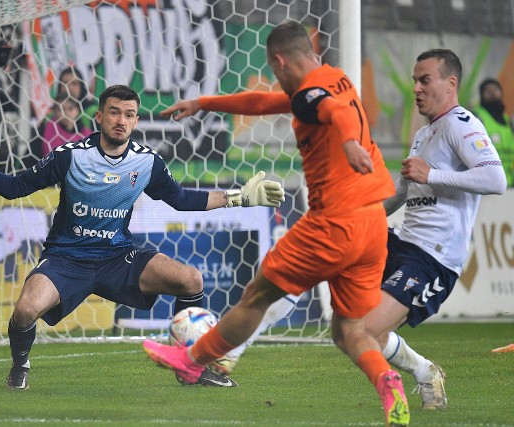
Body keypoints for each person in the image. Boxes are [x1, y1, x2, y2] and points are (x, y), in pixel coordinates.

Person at [0, 85, 285, 390]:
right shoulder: (71, 157)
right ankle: (20, 365)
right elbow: (16, 187)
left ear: (136, 120)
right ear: (99, 117)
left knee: (190, 279)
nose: (121, 120)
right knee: (25, 310)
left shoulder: (146, 162)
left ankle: (188, 366)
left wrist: (240, 198)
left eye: (129, 114)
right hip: (67, 260)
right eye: (114, 112)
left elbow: (180, 199)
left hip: (117, 258)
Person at [144, 21, 410, 427]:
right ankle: (386, 380)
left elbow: (334, 113)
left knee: (257, 295)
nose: (275, 78)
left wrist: (351, 142)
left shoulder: (312, 94)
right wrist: (205, 102)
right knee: (348, 330)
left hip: (333, 222)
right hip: (372, 223)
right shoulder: (334, 78)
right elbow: (264, 103)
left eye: (273, 70)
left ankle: (192, 358)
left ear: (280, 61)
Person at [364, 49, 506, 409]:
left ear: (451, 82)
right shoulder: (425, 133)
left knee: (366, 330)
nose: (416, 88)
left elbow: (496, 178)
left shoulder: (463, 124)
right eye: (414, 80)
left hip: (432, 257)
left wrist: (433, 174)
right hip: (403, 242)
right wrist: (364, 217)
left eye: (424, 80)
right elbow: (402, 192)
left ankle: (425, 371)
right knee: (350, 315)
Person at [473, 78, 514, 186]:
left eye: (495, 89)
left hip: (508, 184)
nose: (492, 93)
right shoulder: (476, 118)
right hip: (486, 185)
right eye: (488, 91)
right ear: (482, 95)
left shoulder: (509, 121)